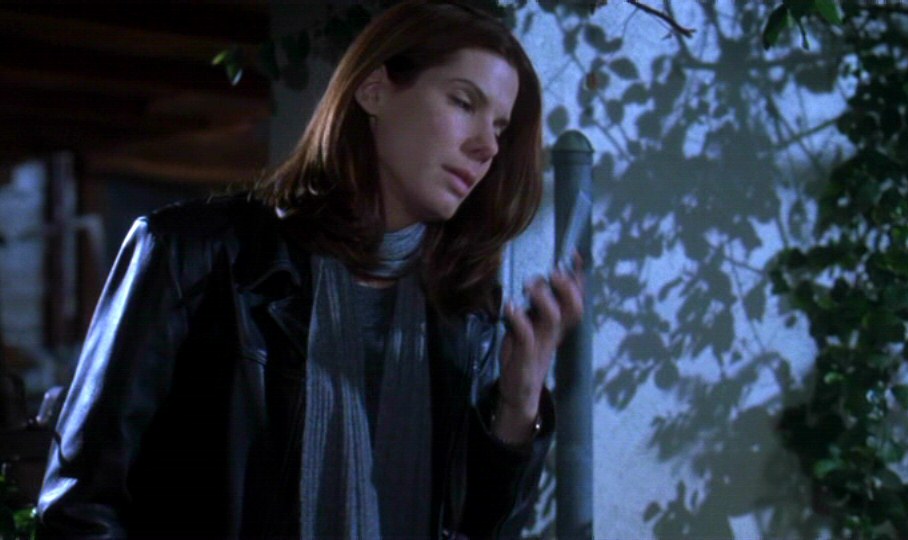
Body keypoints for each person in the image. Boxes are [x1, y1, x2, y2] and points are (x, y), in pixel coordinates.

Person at [36, 0, 584, 538]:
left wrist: (519, 402)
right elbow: (81, 509)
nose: (487, 146)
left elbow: (478, 528)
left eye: (500, 128)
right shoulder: (194, 256)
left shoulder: (464, 311)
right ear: (374, 91)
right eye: (464, 102)